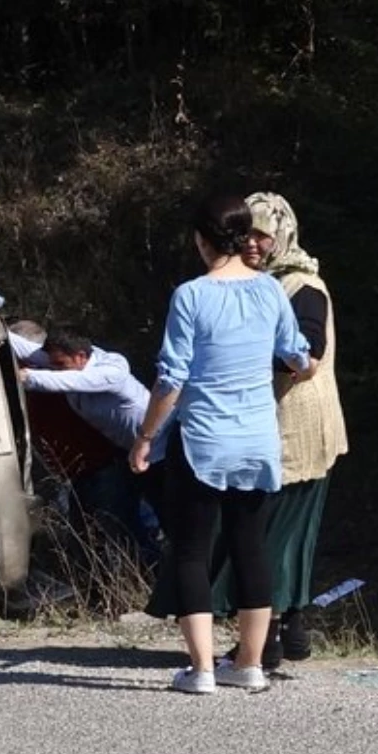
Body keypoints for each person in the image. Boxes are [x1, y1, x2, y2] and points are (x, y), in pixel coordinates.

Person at [129, 192, 313, 694]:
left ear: (201, 240)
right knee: (250, 546)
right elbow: (297, 354)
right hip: (257, 439)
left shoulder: (191, 295)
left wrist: (146, 437)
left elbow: (171, 379)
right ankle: (250, 665)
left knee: (189, 550)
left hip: (204, 439)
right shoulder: (271, 291)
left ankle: (202, 669)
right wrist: (308, 367)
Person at [212, 192, 349, 668]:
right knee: (285, 536)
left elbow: (307, 357)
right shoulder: (260, 283)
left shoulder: (301, 286)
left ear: (281, 236)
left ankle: (263, 638)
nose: (250, 243)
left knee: (272, 536)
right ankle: (288, 628)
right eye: (243, 233)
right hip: (270, 427)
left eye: (260, 234)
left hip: (296, 430)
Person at [9, 324, 167, 561]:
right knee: (125, 521)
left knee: (168, 517)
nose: (55, 369)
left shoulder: (110, 370)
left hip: (161, 452)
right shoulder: (69, 363)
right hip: (133, 453)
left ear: (81, 356)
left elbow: (71, 381)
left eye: (59, 365)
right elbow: (27, 349)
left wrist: (26, 377)